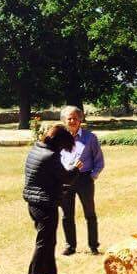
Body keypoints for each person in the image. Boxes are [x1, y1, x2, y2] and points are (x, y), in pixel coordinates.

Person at [23, 125, 80, 274]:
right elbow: (66, 177)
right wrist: (76, 168)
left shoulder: (36, 149)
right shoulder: (51, 156)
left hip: (34, 202)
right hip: (45, 204)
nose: (63, 149)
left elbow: (46, 176)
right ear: (59, 142)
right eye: (64, 145)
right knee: (44, 242)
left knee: (50, 240)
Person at [58, 106, 105, 255]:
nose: (72, 121)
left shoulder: (90, 138)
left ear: (80, 120)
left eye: (75, 118)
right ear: (64, 120)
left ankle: (93, 245)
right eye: (69, 118)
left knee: (90, 214)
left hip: (84, 179)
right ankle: (70, 246)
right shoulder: (60, 138)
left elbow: (99, 160)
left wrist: (92, 176)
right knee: (67, 214)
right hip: (65, 180)